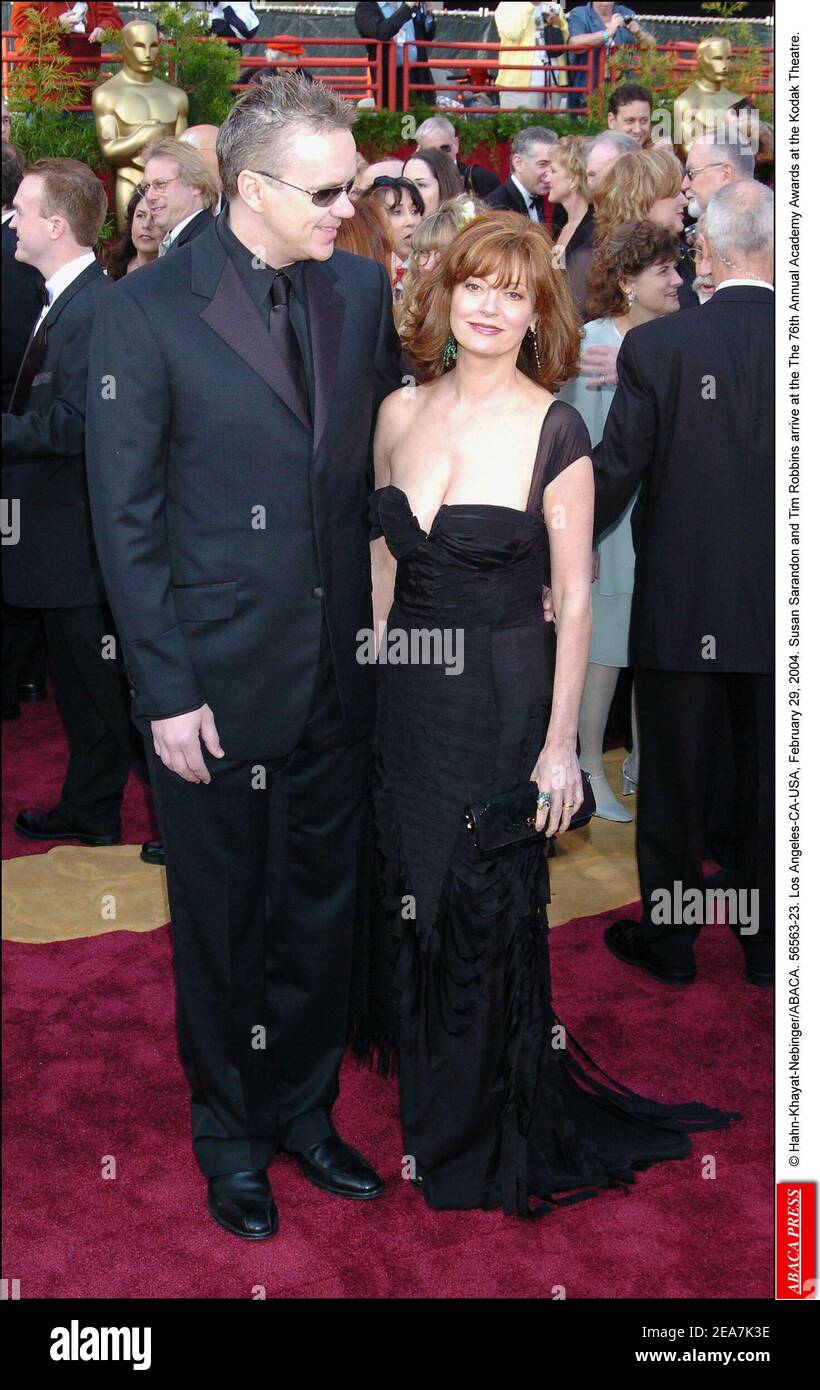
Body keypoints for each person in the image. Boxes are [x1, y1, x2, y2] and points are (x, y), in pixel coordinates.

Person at [352, 209, 738, 1216]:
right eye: (473, 284)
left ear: (536, 313)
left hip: (501, 696)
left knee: (481, 909)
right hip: (405, 701)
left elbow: (572, 598)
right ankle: (434, 1102)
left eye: (510, 292)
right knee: (411, 893)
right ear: (443, 292)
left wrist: (561, 745)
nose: (487, 306)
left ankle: (475, 1130)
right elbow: (382, 567)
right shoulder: (397, 413)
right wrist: (370, 684)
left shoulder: (554, 427)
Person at [85, 72, 403, 1241]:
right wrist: (162, 688)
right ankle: (232, 1137)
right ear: (253, 186)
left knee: (323, 911)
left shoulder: (359, 292)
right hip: (209, 687)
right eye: (328, 190)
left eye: (353, 183)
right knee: (221, 922)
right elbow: (124, 519)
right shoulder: (146, 309)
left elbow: (366, 469)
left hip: (335, 672)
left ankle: (306, 1113)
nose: (346, 207)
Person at [592, 181, 774, 988]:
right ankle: (770, 950)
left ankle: (671, 947)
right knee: (777, 790)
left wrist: (543, 538)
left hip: (680, 606)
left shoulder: (660, 349)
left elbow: (615, 476)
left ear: (708, 251)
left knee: (672, 788)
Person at [2, 158, 155, 853]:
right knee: (84, 683)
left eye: (23, 210)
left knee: (94, 685)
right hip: (62, 534)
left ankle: (102, 810)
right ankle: (92, 804)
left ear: (56, 226)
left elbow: (73, 424)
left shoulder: (93, 306)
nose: (12, 221)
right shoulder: (69, 296)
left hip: (76, 539)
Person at [560, 220, 682, 820]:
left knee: (652, 649)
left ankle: (639, 760)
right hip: (608, 526)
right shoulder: (590, 344)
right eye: (664, 271)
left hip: (664, 521)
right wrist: (580, 534)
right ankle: (586, 764)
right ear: (629, 282)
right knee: (604, 651)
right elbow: (574, 450)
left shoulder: (679, 338)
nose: (678, 280)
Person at [2, 142, 47, 722]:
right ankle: (26, 678)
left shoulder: (18, 254)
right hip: (28, 433)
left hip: (20, 432)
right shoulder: (21, 255)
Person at [566, 3, 655, 111]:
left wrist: (639, 33)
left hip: (622, 89)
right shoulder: (580, 13)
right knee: (584, 126)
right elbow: (574, 44)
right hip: (588, 89)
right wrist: (607, 33)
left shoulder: (626, 13)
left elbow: (651, 45)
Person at [140, 137, 219, 255]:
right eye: (146, 187)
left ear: (195, 185)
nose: (150, 197)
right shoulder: (195, 239)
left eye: (160, 184)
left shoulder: (205, 245)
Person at [544, 134, 594, 313]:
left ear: (573, 179)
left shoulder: (593, 228)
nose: (546, 176)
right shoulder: (562, 220)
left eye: (553, 171)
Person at [354, 2, 437, 110]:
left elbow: (428, 36)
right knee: (399, 122)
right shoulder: (365, 7)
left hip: (419, 73)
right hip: (390, 77)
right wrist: (407, 8)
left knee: (424, 121)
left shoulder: (408, 4)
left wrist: (428, 14)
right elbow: (381, 32)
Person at [360, 175, 424, 296]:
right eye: (397, 212)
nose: (411, 222)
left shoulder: (430, 270)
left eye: (415, 211)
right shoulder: (362, 276)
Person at [414, 114, 500, 200]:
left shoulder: (483, 180)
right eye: (432, 152)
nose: (440, 156)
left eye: (445, 148)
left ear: (456, 145)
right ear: (420, 152)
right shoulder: (413, 185)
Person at [485, 126, 556, 222]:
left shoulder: (535, 195)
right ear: (518, 163)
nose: (550, 173)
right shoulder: (496, 208)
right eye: (542, 164)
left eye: (553, 166)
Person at [104, 188, 162, 278]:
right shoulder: (113, 270)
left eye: (155, 217)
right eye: (140, 216)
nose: (146, 225)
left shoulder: (173, 274)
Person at [402, 147, 462, 216]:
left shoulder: (466, 224)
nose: (411, 192)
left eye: (421, 185)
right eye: (405, 184)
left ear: (445, 186)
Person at [607, 81, 652, 147]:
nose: (637, 130)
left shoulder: (658, 153)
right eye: (630, 121)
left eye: (644, 121)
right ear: (612, 121)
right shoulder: (598, 155)